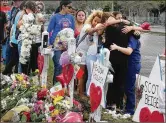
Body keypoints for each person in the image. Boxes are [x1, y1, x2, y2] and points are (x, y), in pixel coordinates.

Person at [110, 35, 141, 116]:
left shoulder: (132, 37)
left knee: (129, 88)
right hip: (129, 64)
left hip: (133, 64)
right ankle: (127, 108)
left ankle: (130, 110)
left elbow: (129, 51)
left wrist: (117, 47)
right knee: (126, 86)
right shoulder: (129, 37)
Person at [76, 10, 104, 95]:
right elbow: (89, 31)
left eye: (98, 22)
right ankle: (79, 93)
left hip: (88, 54)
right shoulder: (87, 26)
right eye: (95, 21)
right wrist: (97, 28)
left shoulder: (97, 32)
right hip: (81, 53)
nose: (95, 23)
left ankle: (80, 91)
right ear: (92, 19)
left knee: (83, 75)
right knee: (81, 74)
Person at [47, 0, 75, 85]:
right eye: (69, 7)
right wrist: (49, 43)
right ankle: (56, 86)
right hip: (57, 45)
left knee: (67, 66)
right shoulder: (55, 17)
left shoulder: (71, 17)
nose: (71, 9)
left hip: (67, 46)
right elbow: (48, 31)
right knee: (58, 65)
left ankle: (64, 86)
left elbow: (72, 31)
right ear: (63, 6)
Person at [2, 1, 25, 75]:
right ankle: (9, 72)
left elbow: (13, 27)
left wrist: (11, 38)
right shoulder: (22, 15)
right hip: (17, 38)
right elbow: (16, 27)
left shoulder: (17, 13)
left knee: (14, 58)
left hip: (14, 38)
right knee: (16, 59)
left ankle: (8, 71)